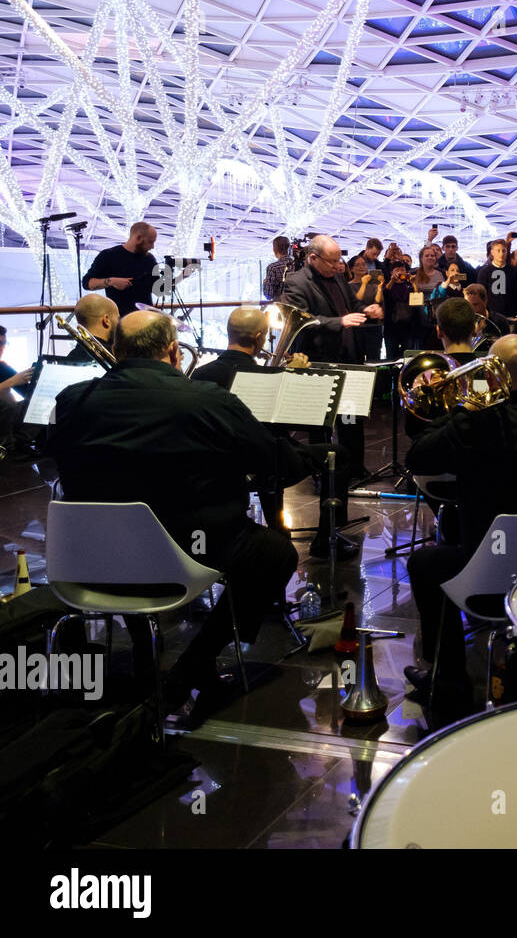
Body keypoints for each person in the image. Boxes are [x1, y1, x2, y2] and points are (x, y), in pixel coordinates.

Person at [46, 311, 300, 723]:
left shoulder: (74, 399)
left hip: (88, 560)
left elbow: (53, 452)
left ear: (116, 350)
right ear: (173, 352)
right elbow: (276, 465)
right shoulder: (206, 400)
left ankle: (149, 656)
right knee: (274, 552)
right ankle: (191, 667)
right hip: (180, 555)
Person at [404, 334, 517, 724]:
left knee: (425, 562)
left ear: (488, 375)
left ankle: (448, 680)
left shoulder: (474, 426)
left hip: (489, 582)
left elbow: (416, 457)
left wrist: (459, 410)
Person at [191, 308, 355, 560]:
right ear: (258, 337)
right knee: (339, 456)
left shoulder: (200, 374)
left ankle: (276, 527)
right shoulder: (265, 375)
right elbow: (285, 426)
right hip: (269, 460)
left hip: (221, 464)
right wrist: (296, 377)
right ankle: (326, 538)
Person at [281, 235, 375, 476]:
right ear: (313, 258)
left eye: (338, 260)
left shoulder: (338, 277)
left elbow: (352, 305)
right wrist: (339, 322)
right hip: (319, 357)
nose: (338, 266)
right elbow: (301, 321)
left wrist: (367, 310)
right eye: (332, 262)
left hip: (349, 355)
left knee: (352, 416)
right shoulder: (296, 282)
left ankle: (354, 469)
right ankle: (321, 471)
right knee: (320, 421)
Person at [82, 221, 161, 319]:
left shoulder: (150, 259)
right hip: (118, 322)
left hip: (145, 321)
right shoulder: (108, 256)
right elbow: (87, 283)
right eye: (150, 242)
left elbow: (159, 289)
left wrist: (183, 275)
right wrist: (111, 281)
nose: (152, 247)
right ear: (138, 238)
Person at [348, 254, 385, 362]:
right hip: (357, 326)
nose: (361, 267)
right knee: (357, 358)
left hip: (374, 325)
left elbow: (378, 301)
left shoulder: (373, 284)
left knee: (374, 358)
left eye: (363, 264)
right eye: (357, 265)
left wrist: (379, 287)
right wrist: (363, 284)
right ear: (351, 269)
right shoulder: (348, 285)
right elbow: (355, 301)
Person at [65, 292, 119, 364]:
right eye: (118, 318)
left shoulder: (70, 358)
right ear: (106, 320)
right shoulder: (118, 358)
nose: (119, 323)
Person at [477, 238, 517, 318]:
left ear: (507, 252)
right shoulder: (484, 272)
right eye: (498, 251)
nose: (501, 254)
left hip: (510, 314)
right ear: (492, 252)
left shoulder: (513, 271)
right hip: (491, 315)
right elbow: (480, 296)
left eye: (503, 251)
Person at [463, 283, 510, 352]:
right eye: (468, 305)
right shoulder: (462, 321)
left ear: (485, 301)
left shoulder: (500, 321)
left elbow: (506, 347)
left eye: (475, 304)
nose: (471, 309)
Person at [262, 236, 292, 305]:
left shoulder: (273, 268)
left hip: (281, 307)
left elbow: (269, 295)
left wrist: (265, 284)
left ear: (274, 249)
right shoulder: (297, 264)